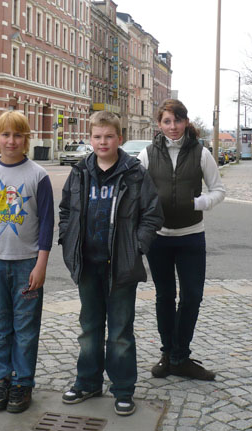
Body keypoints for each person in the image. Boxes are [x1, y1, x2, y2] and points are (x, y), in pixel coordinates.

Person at [59, 111, 164, 417]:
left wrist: (137, 246)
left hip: (121, 266)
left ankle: (123, 389)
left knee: (119, 332)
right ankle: (88, 382)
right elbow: (66, 210)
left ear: (119, 138)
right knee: (89, 328)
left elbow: (152, 214)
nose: (102, 142)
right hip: (88, 264)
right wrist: (67, 238)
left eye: (108, 137)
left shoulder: (134, 173)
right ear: (90, 139)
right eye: (97, 137)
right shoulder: (80, 172)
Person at [0, 111, 54, 414]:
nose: (11, 141)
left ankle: (22, 382)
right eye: (5, 135)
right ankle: (1, 379)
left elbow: (47, 225)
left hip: (27, 264)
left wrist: (41, 265)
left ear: (26, 139)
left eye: (18, 135)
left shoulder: (38, 176)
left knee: (26, 328)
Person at [138, 99, 225, 381]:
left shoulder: (201, 153)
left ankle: (180, 355)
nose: (173, 126)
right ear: (159, 124)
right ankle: (169, 355)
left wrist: (199, 203)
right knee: (164, 296)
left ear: (186, 122)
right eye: (167, 121)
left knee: (192, 296)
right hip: (159, 238)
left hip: (191, 236)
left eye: (177, 120)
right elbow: (135, 191)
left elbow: (218, 190)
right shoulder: (147, 154)